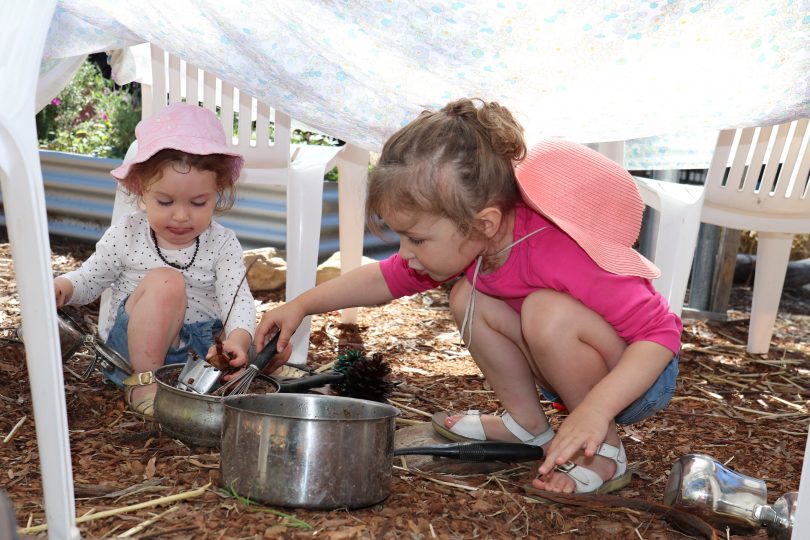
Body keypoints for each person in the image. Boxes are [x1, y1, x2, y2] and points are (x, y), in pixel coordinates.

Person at [254, 98, 681, 494]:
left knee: (544, 311)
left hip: (635, 379)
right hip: (570, 365)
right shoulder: (474, 238)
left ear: (485, 222)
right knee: (467, 296)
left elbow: (661, 334)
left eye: (416, 239)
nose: (406, 253)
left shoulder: (563, 249)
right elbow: (383, 280)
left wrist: (596, 411)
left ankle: (605, 452)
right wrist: (301, 305)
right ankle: (528, 426)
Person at [53, 103, 255, 418]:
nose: (180, 215)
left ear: (218, 192)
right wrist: (62, 287)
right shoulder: (129, 233)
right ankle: (145, 385)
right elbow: (90, 278)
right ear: (141, 191)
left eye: (199, 202)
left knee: (251, 347)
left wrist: (238, 340)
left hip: (196, 360)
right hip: (131, 355)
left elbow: (238, 301)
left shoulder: (223, 243)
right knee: (166, 281)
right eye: (164, 201)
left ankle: (183, 388)